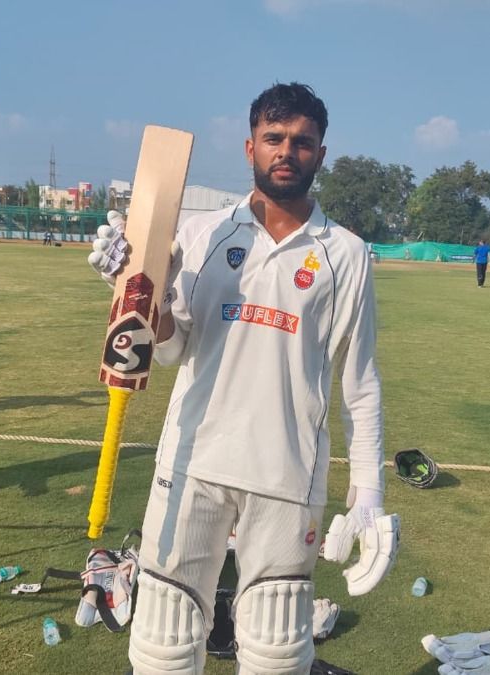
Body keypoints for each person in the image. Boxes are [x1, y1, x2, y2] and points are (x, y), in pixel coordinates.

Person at [88, 83, 397, 674]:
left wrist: (369, 495)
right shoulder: (204, 234)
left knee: (278, 651)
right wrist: (132, 292)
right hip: (192, 462)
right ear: (249, 146)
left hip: (286, 474)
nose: (287, 151)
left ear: (320, 155)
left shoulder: (347, 254)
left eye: (301, 142)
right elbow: (173, 346)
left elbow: (360, 382)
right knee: (163, 644)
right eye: (273, 139)